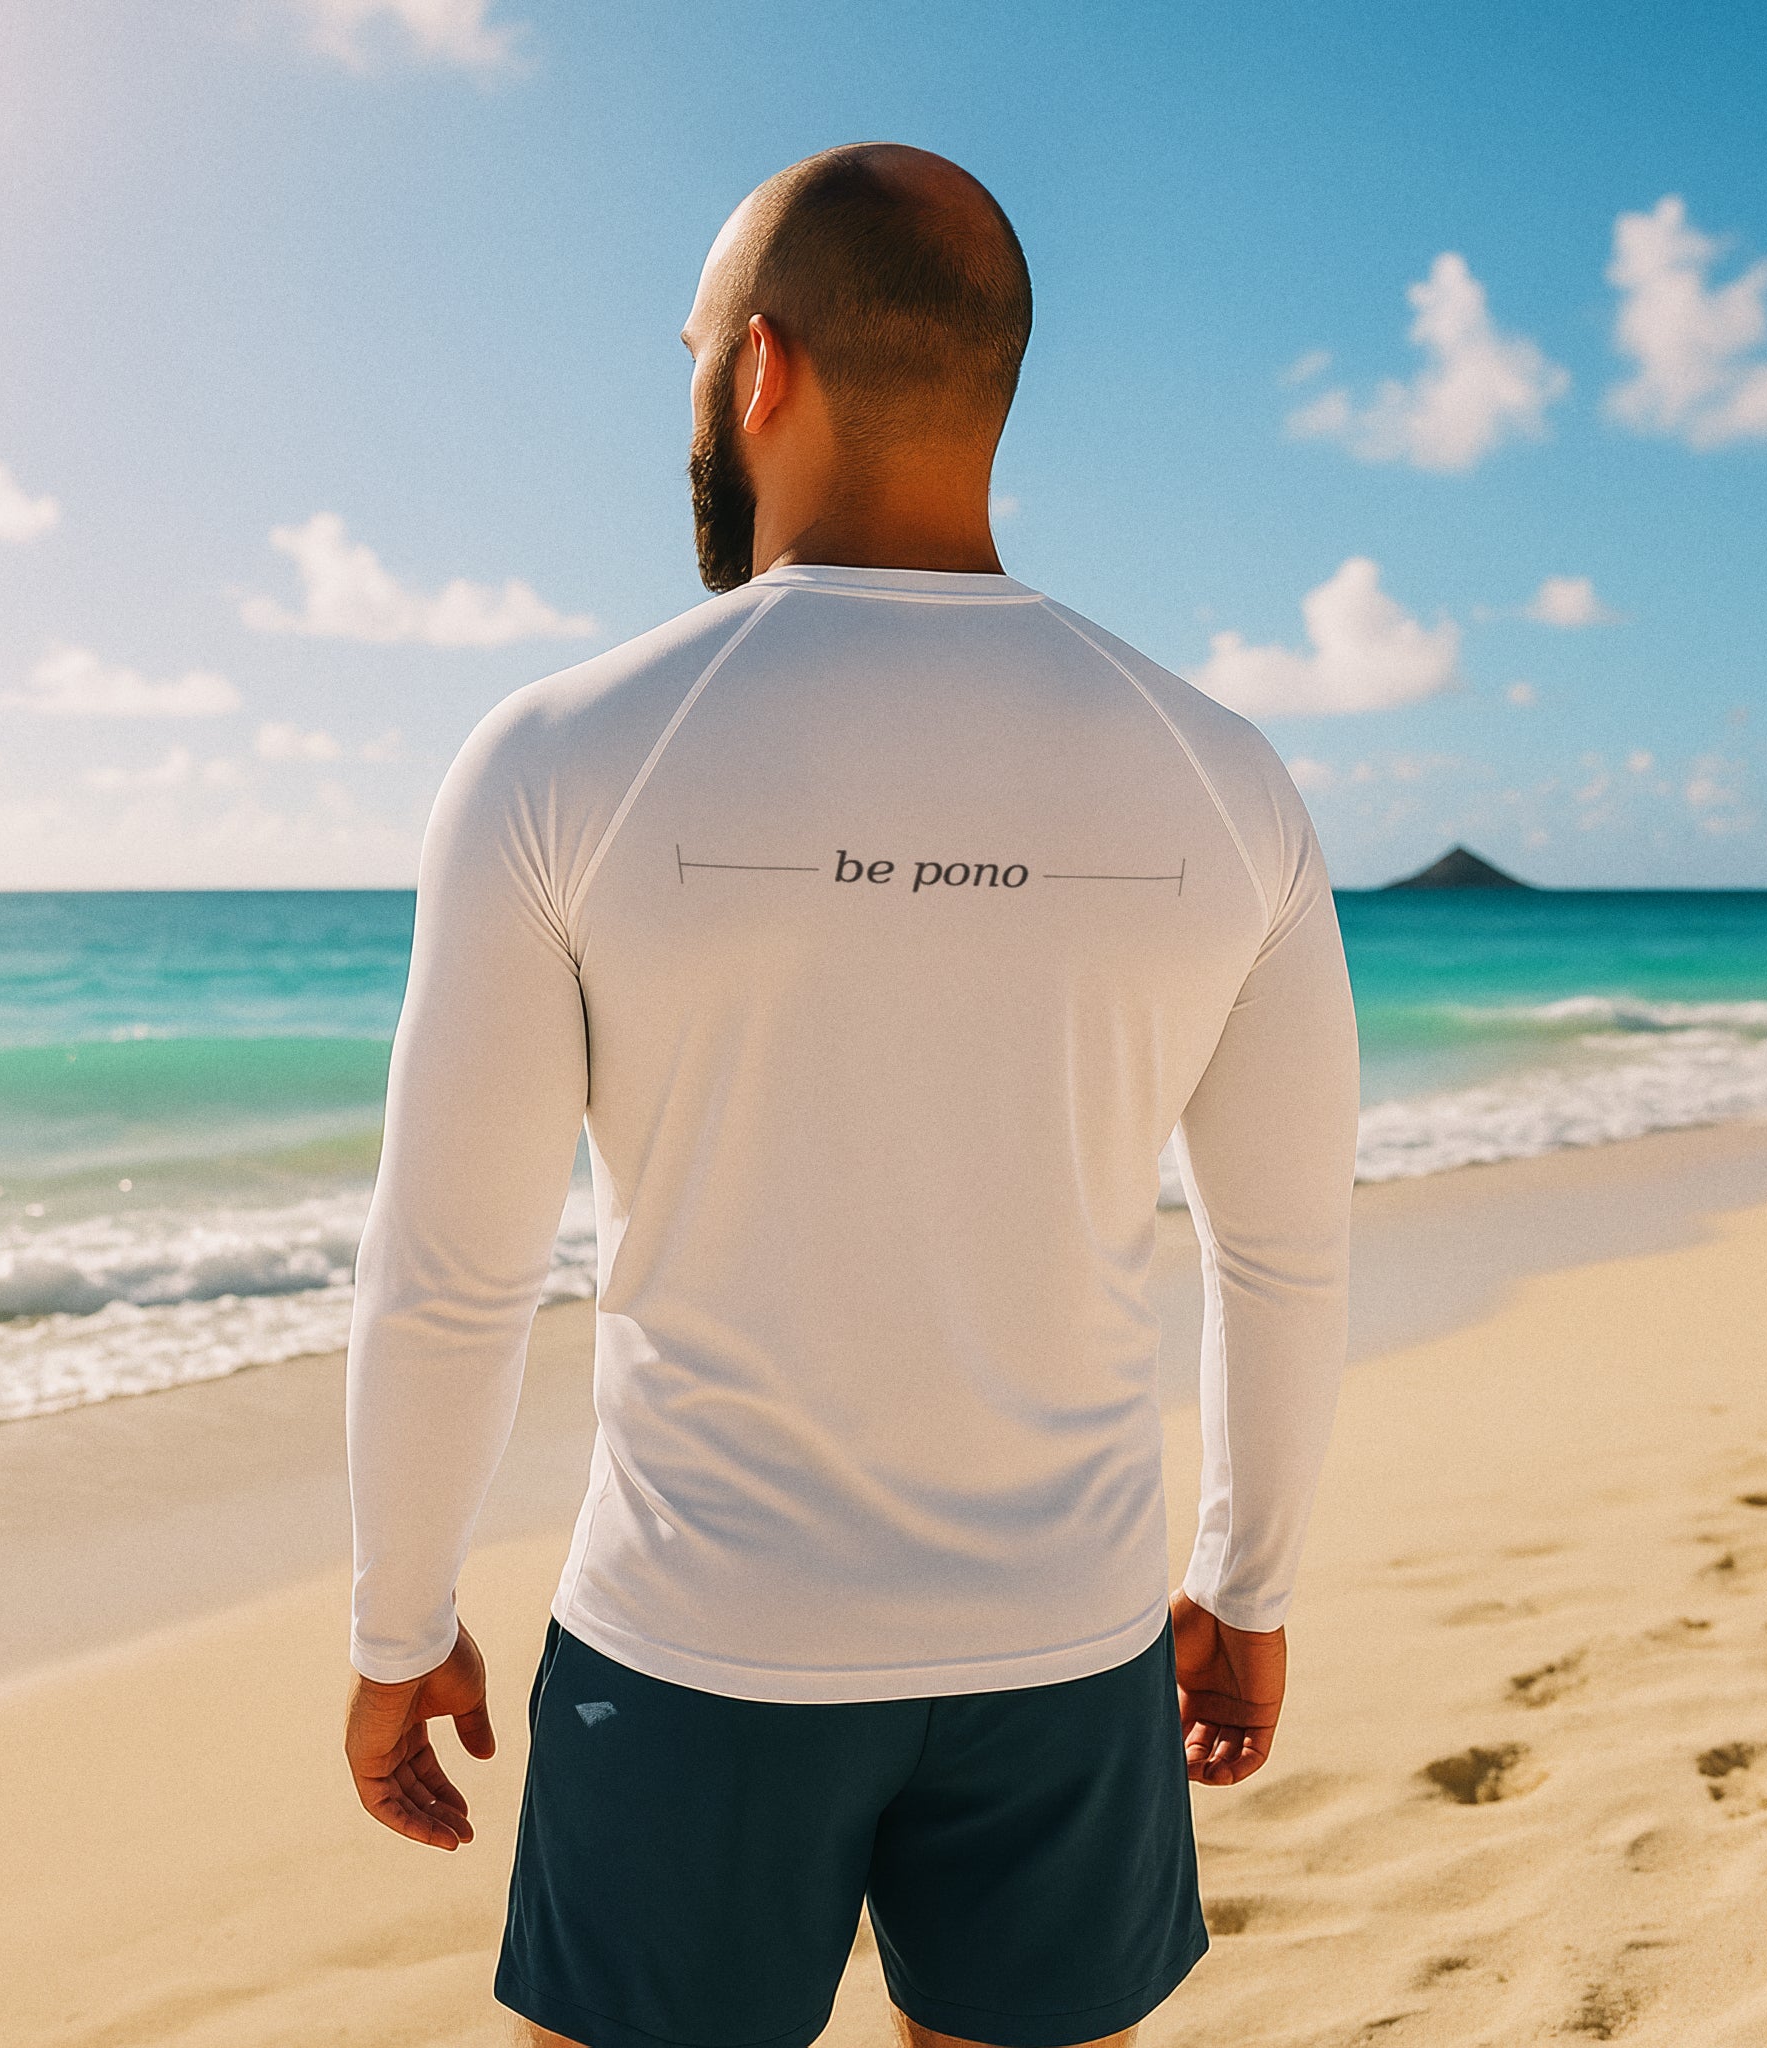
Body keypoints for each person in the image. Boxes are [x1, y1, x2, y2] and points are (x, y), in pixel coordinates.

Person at [342, 143, 1359, 2048]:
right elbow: (1285, 1246)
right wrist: (1249, 1575)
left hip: (697, 1649)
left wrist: (400, 1625)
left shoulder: (564, 756)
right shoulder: (1221, 776)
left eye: (695, 348)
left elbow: (456, 1271)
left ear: (759, 373)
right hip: (1068, 1650)